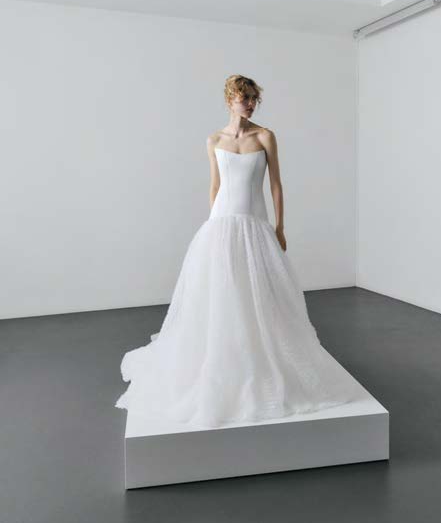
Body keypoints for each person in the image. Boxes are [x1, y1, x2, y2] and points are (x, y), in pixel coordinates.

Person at [115, 74, 359, 428]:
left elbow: (276, 185)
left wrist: (280, 227)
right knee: (220, 295)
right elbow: (215, 186)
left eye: (254, 99)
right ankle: (223, 361)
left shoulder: (265, 137)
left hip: (255, 224)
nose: (250, 104)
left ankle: (261, 360)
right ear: (230, 99)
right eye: (244, 98)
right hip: (222, 225)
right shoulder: (214, 140)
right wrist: (213, 227)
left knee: (261, 294)